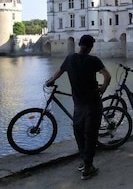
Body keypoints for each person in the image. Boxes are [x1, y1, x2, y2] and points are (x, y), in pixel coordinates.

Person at [46, 34, 111, 180]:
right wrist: (103, 89)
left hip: (79, 105)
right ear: (90, 47)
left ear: (79, 45)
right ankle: (88, 167)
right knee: (91, 135)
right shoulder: (93, 60)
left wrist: (50, 81)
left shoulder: (70, 59)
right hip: (93, 103)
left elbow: (59, 72)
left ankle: (84, 161)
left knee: (79, 133)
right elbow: (107, 75)